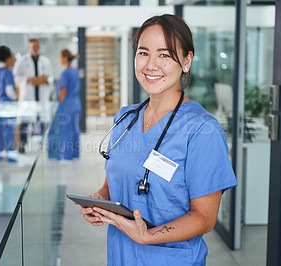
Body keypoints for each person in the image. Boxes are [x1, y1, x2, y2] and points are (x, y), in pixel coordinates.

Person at [79, 14, 238, 265]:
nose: (151, 65)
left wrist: (149, 235)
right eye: (143, 53)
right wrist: (99, 201)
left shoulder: (202, 130)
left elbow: (204, 218)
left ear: (187, 61)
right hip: (120, 257)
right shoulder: (125, 118)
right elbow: (112, 185)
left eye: (164, 55)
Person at [13, 38, 54, 153]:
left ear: (39, 47)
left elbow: (50, 76)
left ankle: (42, 145)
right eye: (33, 46)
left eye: (37, 46)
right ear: (29, 47)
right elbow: (16, 77)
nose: (35, 48)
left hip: (41, 96)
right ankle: (22, 146)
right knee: (25, 123)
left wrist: (47, 80)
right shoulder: (22, 60)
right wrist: (27, 79)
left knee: (42, 123)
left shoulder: (45, 61)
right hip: (28, 97)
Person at [48, 49, 81, 160]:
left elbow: (62, 91)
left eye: (60, 57)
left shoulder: (65, 73)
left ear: (65, 58)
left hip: (66, 105)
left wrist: (57, 103)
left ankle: (66, 156)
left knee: (66, 130)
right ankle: (75, 154)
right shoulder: (75, 71)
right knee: (74, 129)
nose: (59, 59)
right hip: (76, 103)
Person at [0, 45, 18, 163]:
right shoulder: (8, 73)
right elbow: (10, 90)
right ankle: (11, 155)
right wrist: (16, 98)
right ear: (8, 58)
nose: (13, 59)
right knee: (9, 131)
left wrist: (0, 97)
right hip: (8, 105)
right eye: (12, 57)